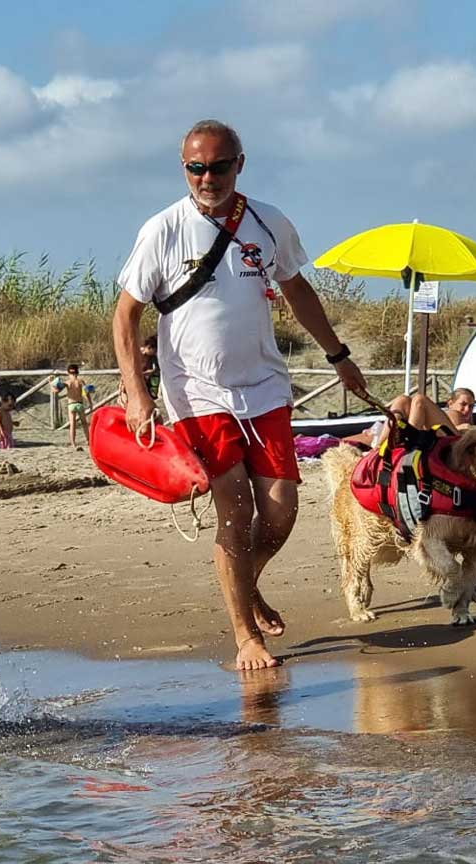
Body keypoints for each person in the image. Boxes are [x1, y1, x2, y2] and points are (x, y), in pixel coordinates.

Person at [113, 119, 367, 672]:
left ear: (240, 164)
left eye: (219, 166)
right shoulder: (162, 229)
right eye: (196, 168)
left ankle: (244, 584)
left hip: (265, 386)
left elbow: (298, 290)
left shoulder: (268, 223)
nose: (208, 178)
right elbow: (125, 316)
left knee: (280, 513)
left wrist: (339, 355)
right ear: (184, 168)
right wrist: (138, 393)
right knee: (235, 510)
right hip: (196, 392)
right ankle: (245, 636)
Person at [345, 388, 476, 449]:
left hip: (453, 441)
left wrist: (467, 427)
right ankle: (379, 447)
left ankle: (405, 441)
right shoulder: (446, 414)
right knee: (403, 400)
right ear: (450, 403)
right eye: (463, 404)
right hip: (432, 436)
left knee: (420, 400)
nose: (467, 410)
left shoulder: (459, 417)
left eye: (471, 406)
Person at [59, 364, 92, 446]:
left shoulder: (67, 382)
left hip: (71, 404)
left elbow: (57, 389)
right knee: (84, 423)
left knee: (72, 425)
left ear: (68, 373)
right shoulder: (81, 381)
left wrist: (52, 383)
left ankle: (73, 443)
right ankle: (88, 440)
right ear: (77, 372)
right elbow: (86, 393)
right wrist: (90, 403)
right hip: (79, 403)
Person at [141, 335, 160, 400]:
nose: (155, 353)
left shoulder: (152, 357)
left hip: (147, 382)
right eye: (154, 351)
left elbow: (156, 368)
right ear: (149, 347)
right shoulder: (138, 354)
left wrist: (152, 371)